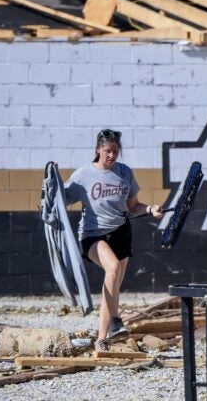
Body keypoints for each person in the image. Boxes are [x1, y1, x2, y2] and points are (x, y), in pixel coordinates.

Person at [64, 129, 163, 351]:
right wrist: (47, 197)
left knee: (114, 286)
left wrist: (150, 208)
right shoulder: (83, 175)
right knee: (113, 268)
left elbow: (133, 206)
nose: (112, 155)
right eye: (108, 151)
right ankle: (110, 328)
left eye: (116, 151)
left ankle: (105, 335)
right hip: (93, 235)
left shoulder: (125, 173)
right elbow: (60, 200)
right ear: (98, 150)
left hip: (121, 232)